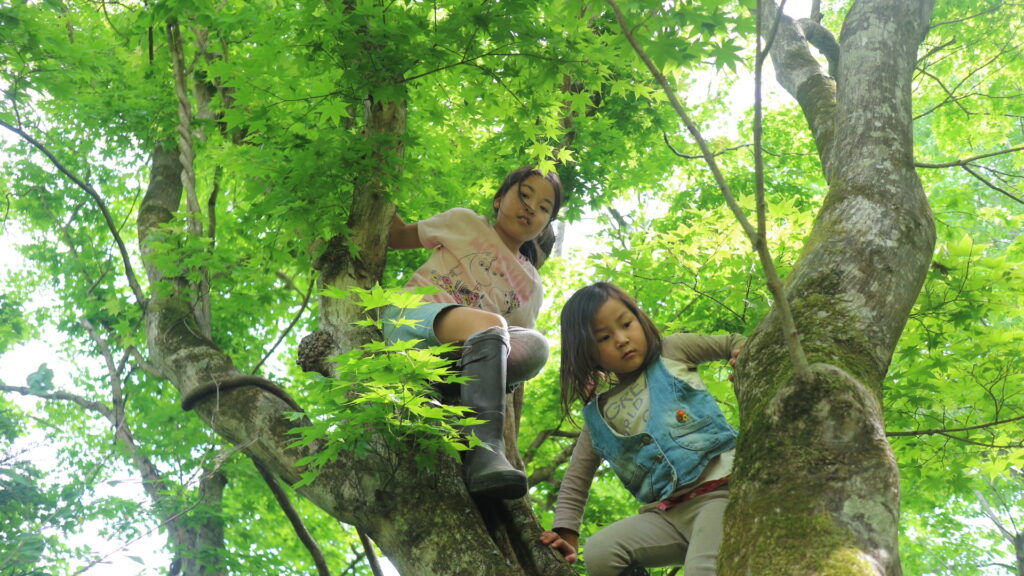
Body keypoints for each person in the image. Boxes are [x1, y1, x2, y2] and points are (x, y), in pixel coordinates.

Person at [539, 282, 744, 576]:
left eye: (626, 324)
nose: (622, 340)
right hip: (668, 515)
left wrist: (743, 355)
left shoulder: (673, 351)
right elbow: (576, 478)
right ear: (588, 353)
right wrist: (566, 533)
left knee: (701, 569)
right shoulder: (598, 416)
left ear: (640, 319)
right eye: (604, 337)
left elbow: (733, 342)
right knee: (600, 552)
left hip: (721, 493)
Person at [385, 166, 563, 500]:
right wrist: (378, 176)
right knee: (491, 325)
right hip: (413, 323)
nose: (530, 208)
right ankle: (485, 452)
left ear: (546, 223)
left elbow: (510, 349)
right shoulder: (464, 222)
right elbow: (396, 237)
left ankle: (451, 398)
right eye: (524, 195)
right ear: (498, 199)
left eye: (543, 208)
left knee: (536, 346)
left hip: (458, 359)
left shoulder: (531, 284)